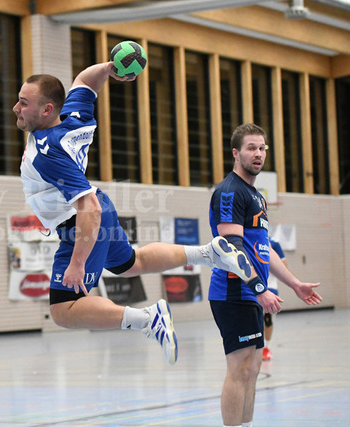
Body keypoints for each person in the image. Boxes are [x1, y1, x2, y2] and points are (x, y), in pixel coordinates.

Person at [13, 61, 254, 366]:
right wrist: (108, 68)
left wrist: (77, 262)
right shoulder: (74, 117)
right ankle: (208, 253)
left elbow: (89, 208)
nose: (16, 108)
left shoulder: (49, 153)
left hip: (82, 224)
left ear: (47, 109)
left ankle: (147, 319)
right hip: (98, 210)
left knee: (64, 309)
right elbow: (84, 81)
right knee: (130, 264)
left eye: (24, 102)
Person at [208, 123, 322, 427]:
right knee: (239, 369)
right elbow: (231, 248)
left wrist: (294, 283)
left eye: (262, 148)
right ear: (236, 153)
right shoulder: (230, 191)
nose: (258, 153)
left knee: (253, 368)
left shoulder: (255, 196)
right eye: (251, 148)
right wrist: (259, 289)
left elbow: (263, 249)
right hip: (234, 291)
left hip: (251, 293)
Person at [262, 237, 287, 361]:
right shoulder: (248, 240)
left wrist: (270, 269)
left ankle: (266, 347)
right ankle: (256, 347)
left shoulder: (274, 244)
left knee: (266, 317)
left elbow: (284, 265)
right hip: (253, 286)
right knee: (254, 318)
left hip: (270, 286)